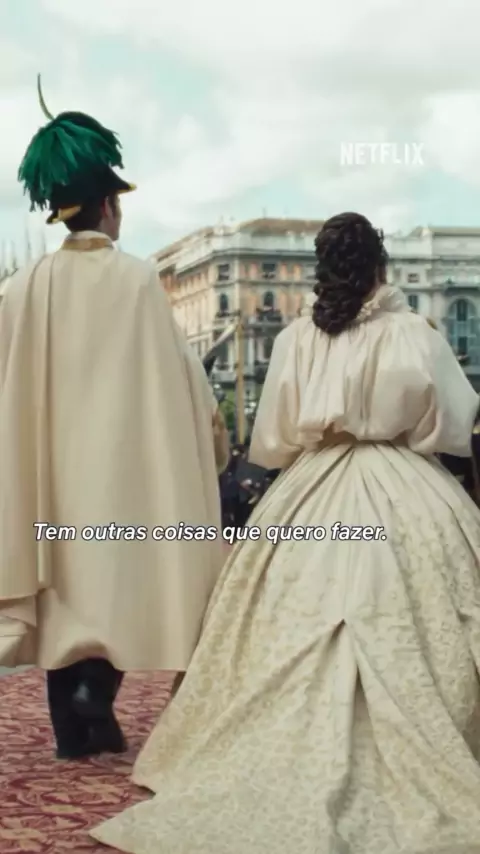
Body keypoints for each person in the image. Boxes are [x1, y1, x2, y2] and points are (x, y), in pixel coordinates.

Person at [90, 212, 480, 853]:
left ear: (321, 270)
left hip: (312, 485)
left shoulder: (298, 337)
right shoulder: (415, 333)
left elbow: (272, 436)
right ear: (379, 266)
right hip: (404, 482)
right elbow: (452, 423)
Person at [0, 75, 229, 761]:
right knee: (118, 584)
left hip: (47, 480)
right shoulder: (135, 279)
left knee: (61, 593)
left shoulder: (23, 287)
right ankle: (95, 696)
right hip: (124, 475)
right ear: (107, 205)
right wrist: (210, 430)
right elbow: (178, 374)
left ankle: (73, 724)